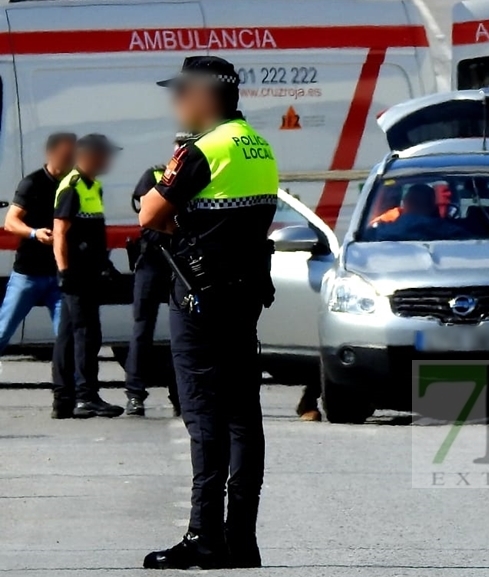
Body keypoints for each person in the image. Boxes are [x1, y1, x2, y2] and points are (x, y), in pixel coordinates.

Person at [139, 56, 278, 570]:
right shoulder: (257, 144)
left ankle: (203, 536)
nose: (177, 101)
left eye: (181, 92)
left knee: (204, 416)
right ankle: (240, 539)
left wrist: (178, 217)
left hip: (200, 299)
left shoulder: (203, 150)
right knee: (244, 416)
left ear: (203, 95)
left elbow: (151, 214)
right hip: (242, 298)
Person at [51, 134, 124, 419]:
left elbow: (92, 235)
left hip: (90, 273)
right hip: (77, 276)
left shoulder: (94, 187)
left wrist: (104, 263)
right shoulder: (72, 187)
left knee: (69, 336)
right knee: (87, 335)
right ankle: (86, 397)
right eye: (104, 154)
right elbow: (60, 233)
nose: (108, 160)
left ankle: (64, 399)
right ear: (88, 155)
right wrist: (65, 272)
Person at [124, 133, 192, 417]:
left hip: (179, 262)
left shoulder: (198, 176)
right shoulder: (154, 174)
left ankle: (180, 396)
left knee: (183, 333)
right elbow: (147, 216)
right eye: (180, 146)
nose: (183, 151)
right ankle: (135, 395)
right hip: (153, 260)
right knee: (142, 330)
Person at [0, 133, 76, 364]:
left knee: (66, 336)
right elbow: (11, 222)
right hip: (28, 274)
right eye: (66, 154)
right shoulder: (33, 183)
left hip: (59, 274)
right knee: (3, 331)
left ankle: (73, 393)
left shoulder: (75, 184)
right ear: (51, 154)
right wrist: (35, 234)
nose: (71, 159)